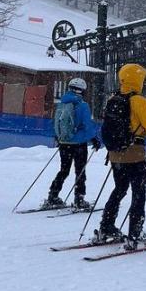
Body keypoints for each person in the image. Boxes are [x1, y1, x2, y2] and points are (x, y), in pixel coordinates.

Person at [96, 64, 146, 250]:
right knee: (139, 193)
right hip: (134, 155)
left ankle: (106, 227)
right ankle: (135, 232)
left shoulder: (113, 99)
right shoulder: (139, 100)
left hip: (115, 155)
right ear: (138, 80)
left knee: (119, 189)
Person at [45, 78, 100, 210]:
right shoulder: (82, 105)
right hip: (79, 143)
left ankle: (53, 195)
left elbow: (56, 123)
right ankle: (79, 199)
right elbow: (87, 125)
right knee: (80, 171)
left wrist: (59, 137)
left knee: (64, 170)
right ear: (82, 90)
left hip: (64, 142)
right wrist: (94, 138)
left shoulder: (61, 103)